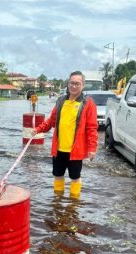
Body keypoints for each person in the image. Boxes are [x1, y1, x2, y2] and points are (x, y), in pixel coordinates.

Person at [33, 70, 98, 198]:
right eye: (72, 83)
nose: (74, 86)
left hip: (75, 151)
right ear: (68, 84)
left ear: (83, 85)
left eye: (77, 84)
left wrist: (92, 148)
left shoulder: (88, 103)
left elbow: (92, 128)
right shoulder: (61, 101)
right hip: (58, 149)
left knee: (75, 177)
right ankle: (57, 201)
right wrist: (38, 129)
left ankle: (73, 205)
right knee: (57, 175)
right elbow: (51, 121)